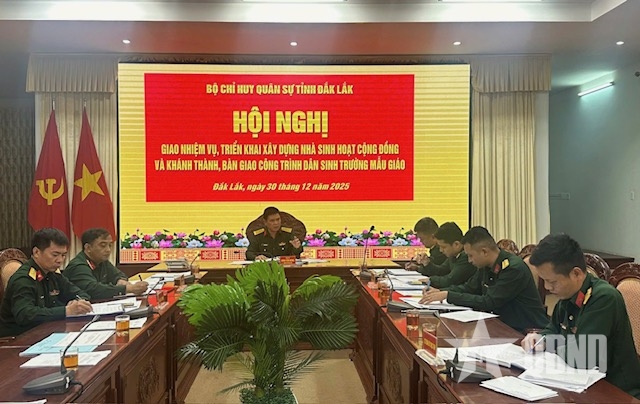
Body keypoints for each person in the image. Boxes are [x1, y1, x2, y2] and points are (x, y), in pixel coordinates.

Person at [522, 234, 640, 398]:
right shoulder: (568, 294)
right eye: (544, 281)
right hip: (578, 384)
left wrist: (549, 344)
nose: (548, 287)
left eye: (552, 282)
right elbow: (553, 329)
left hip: (615, 391)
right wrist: (539, 338)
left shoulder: (604, 298)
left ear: (576, 274)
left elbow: (583, 356)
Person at [420, 226, 548, 333]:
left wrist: (448, 295)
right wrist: (441, 292)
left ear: (484, 252)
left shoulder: (512, 268)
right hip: (500, 324)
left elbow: (490, 301)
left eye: (471, 255)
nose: (469, 260)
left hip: (525, 330)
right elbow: (470, 288)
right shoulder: (486, 265)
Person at [0, 228, 93, 338]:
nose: (60, 260)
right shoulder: (24, 279)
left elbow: (81, 293)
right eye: (55, 255)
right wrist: (66, 311)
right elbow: (25, 315)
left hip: (47, 331)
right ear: (36, 252)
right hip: (19, 338)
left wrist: (78, 302)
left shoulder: (52, 274)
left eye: (63, 255)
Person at [64, 228, 148, 300]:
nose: (108, 250)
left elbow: (118, 274)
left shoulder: (101, 260)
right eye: (103, 245)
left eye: (110, 245)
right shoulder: (78, 266)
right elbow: (94, 290)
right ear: (88, 248)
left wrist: (121, 280)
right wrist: (128, 288)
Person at [417, 222, 476, 288]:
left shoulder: (465, 257)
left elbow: (450, 280)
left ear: (456, 244)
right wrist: (427, 264)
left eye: (443, 247)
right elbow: (442, 271)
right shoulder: (453, 255)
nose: (441, 250)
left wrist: (431, 280)